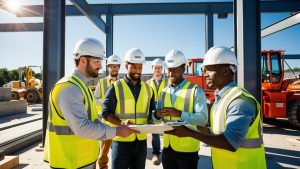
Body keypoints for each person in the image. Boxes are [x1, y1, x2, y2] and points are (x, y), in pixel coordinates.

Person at [43, 38, 138, 169]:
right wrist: (117, 131)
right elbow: (82, 128)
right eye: (97, 61)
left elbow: (92, 119)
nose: (100, 66)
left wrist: (120, 125)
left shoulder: (82, 86)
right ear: (82, 60)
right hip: (69, 162)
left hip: (83, 160)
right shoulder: (69, 88)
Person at [166, 46, 267, 169]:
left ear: (225, 71)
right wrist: (186, 127)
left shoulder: (239, 101)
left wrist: (189, 133)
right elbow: (215, 132)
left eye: (209, 70)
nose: (205, 74)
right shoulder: (221, 99)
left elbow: (230, 142)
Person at [101, 48, 156, 169]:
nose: (138, 71)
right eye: (134, 67)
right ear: (126, 66)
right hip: (121, 142)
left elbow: (152, 113)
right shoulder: (116, 87)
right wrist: (121, 123)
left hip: (141, 142)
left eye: (140, 67)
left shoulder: (148, 89)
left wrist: (156, 118)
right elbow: (105, 113)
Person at [153, 50, 208, 169]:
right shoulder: (164, 92)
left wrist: (179, 113)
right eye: (169, 70)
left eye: (175, 70)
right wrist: (156, 115)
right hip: (167, 148)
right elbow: (157, 121)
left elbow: (203, 119)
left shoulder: (195, 91)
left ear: (183, 69)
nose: (171, 73)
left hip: (188, 150)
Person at [94, 54, 122, 169]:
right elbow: (95, 100)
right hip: (106, 123)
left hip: (119, 122)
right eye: (112, 66)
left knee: (120, 154)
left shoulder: (123, 83)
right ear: (108, 67)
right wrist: (106, 102)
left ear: (119, 68)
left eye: (116, 66)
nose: (114, 69)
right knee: (103, 154)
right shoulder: (102, 82)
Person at [146, 58, 168, 165]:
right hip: (154, 110)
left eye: (159, 68)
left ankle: (169, 152)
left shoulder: (168, 81)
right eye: (155, 68)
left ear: (162, 69)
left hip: (167, 109)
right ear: (152, 69)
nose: (157, 70)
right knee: (155, 133)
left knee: (169, 130)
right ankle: (156, 154)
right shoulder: (147, 83)